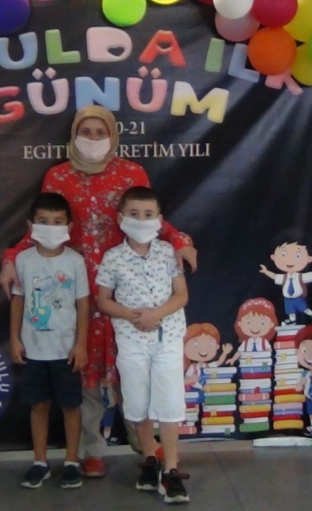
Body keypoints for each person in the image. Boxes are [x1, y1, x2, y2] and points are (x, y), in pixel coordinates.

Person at [0, 105, 198, 477]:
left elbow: (150, 216)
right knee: (84, 368)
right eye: (85, 132)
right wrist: (11, 259)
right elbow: (41, 229)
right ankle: (92, 449)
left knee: (130, 365)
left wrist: (180, 241)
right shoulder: (58, 176)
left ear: (112, 135)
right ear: (74, 135)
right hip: (73, 286)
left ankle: (144, 444)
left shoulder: (131, 172)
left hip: (123, 284)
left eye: (100, 132)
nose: (93, 139)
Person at [96, 187, 190, 504]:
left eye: (148, 214)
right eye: (134, 214)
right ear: (121, 218)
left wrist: (155, 315)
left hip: (167, 338)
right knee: (136, 401)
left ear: (159, 220)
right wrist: (133, 316)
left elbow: (181, 294)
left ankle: (171, 468)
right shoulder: (112, 257)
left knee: (170, 400)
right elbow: (103, 300)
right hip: (132, 340)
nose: (141, 220)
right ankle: (150, 458)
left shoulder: (168, 252)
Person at [9, 193, 90, 489]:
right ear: (31, 225)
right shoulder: (23, 260)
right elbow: (18, 301)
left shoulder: (75, 262)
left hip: (66, 350)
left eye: (58, 222)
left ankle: (71, 461)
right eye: (44, 221)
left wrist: (80, 344)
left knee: (71, 406)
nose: (51, 227)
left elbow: (83, 304)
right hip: (33, 350)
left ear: (69, 226)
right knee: (38, 406)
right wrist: (14, 339)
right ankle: (40, 462)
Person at [258, 228, 312, 325]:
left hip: (298, 297)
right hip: (287, 298)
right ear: (273, 257)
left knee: (304, 308)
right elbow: (274, 276)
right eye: (283, 254)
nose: (289, 260)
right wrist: (266, 271)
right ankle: (292, 320)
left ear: (309, 258)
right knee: (290, 310)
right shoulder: (284, 278)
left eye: (297, 255)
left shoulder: (300, 277)